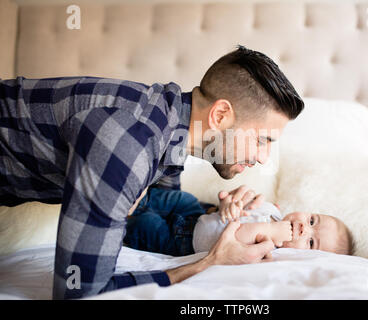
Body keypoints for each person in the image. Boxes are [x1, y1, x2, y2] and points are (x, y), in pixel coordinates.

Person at [0, 45, 304, 299]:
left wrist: (219, 212)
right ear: (220, 115)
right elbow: (79, 292)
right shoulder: (129, 144)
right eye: (263, 140)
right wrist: (210, 263)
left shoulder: (168, 126)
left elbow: (155, 209)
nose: (264, 158)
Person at [125, 188, 354, 256]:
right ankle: (138, 196)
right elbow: (237, 208)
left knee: (146, 226)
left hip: (183, 243)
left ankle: (121, 220)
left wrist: (271, 230)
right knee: (179, 198)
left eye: (311, 242)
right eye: (312, 220)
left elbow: (235, 238)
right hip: (198, 215)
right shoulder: (273, 209)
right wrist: (231, 204)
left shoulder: (270, 248)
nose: (305, 228)